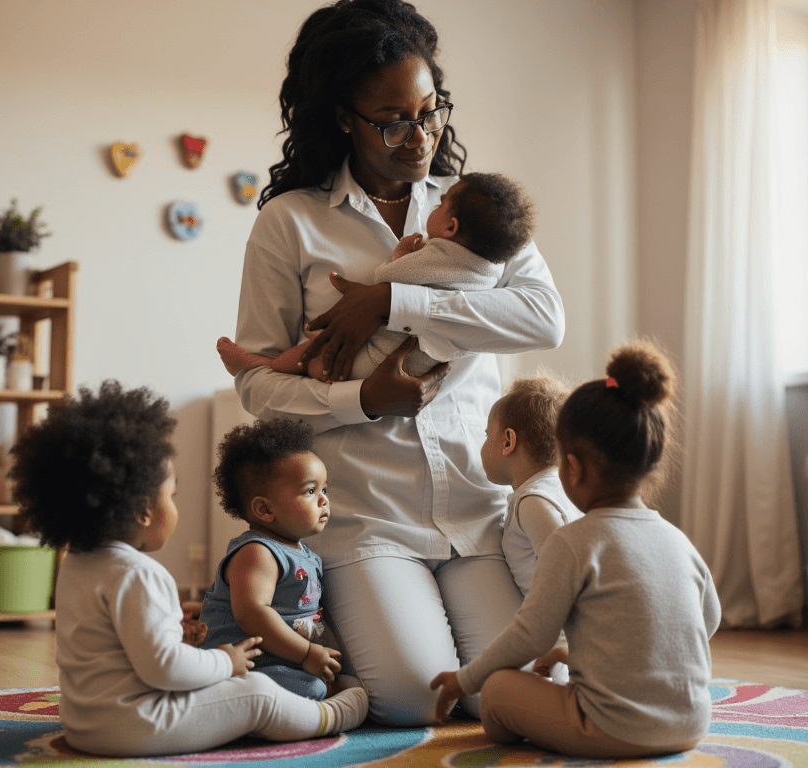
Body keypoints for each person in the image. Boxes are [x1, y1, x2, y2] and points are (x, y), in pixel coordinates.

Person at [229, 0, 564, 726]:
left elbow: (544, 318)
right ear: (343, 116)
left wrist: (390, 304)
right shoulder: (290, 222)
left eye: (430, 110)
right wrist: (364, 400)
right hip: (366, 517)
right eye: (393, 119)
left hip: (477, 508)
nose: (421, 136)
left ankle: (354, 629)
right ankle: (329, 622)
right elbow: (257, 385)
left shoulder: (475, 208)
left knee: (491, 692)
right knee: (417, 698)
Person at [9, 381, 368, 757]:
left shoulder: (77, 564)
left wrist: (175, 633)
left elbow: (117, 647)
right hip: (138, 727)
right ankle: (328, 718)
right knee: (255, 693)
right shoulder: (139, 574)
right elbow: (164, 670)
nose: (175, 505)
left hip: (84, 724)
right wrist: (225, 661)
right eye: (172, 495)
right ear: (143, 510)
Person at [430, 341, 721, 760]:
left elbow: (533, 635)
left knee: (496, 689)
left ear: (572, 468)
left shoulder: (573, 540)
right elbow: (707, 618)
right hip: (692, 723)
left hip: (610, 727)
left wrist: (465, 680)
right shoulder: (677, 539)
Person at [218, 172, 535, 382]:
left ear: (451, 227)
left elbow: (390, 279)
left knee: (313, 355)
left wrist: (398, 260)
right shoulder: (491, 263)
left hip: (382, 362)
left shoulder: (441, 255)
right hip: (427, 362)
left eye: (440, 205)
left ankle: (257, 363)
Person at [199, 418, 341, 700]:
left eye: (324, 490)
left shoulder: (305, 554)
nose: (324, 500)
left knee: (334, 682)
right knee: (314, 689)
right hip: (246, 666)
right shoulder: (257, 552)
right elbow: (252, 613)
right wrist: (307, 653)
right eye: (310, 491)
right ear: (265, 509)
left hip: (282, 661)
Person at [478, 375, 583, 680]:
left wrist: (564, 643)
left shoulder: (534, 502)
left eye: (487, 435)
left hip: (566, 635)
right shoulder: (566, 488)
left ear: (508, 442)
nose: (483, 445)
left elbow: (565, 572)